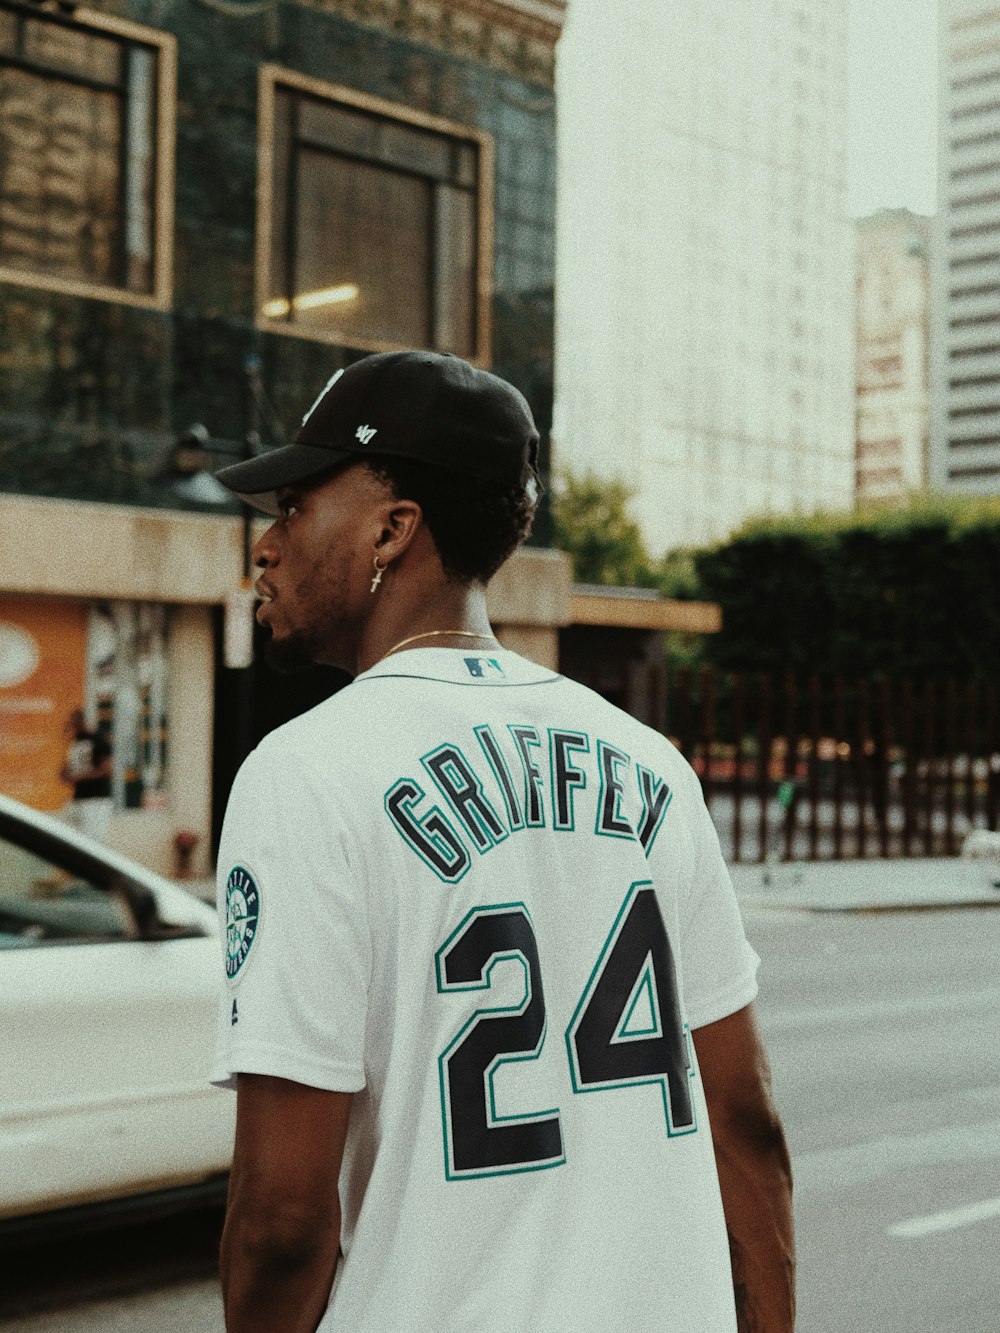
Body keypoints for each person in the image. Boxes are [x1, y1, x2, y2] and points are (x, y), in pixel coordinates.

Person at [210, 351, 794, 1333]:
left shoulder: (306, 770)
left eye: (296, 506)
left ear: (393, 530)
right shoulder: (650, 762)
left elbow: (281, 1219)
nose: (265, 547)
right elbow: (745, 1126)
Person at [60, 708, 113, 842]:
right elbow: (68, 769)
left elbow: (107, 770)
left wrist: (80, 777)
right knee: (70, 839)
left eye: (73, 723)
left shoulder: (98, 739)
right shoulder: (75, 742)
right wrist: (66, 774)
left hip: (96, 799)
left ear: (80, 722)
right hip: (78, 798)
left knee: (92, 841)